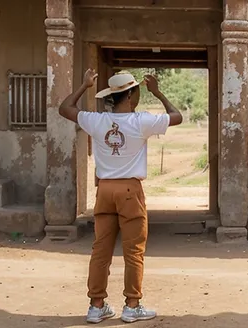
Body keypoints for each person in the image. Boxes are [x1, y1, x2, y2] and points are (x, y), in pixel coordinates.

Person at [58, 69, 183, 324]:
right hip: (130, 191)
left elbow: (65, 108)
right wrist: (157, 92)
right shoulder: (142, 122)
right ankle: (132, 305)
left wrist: (84, 86)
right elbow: (176, 116)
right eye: (136, 90)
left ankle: (96, 305)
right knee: (133, 250)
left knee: (100, 249)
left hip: (104, 190)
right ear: (130, 97)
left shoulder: (97, 120)